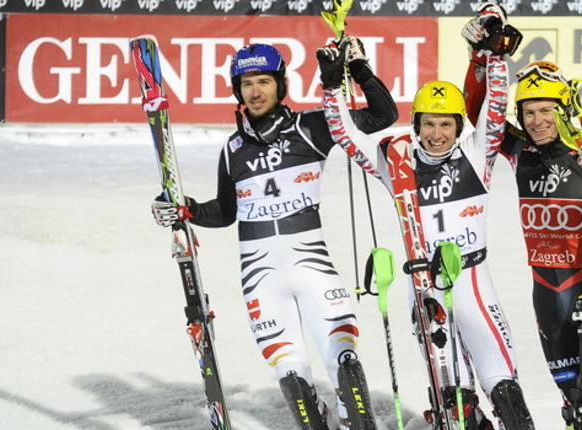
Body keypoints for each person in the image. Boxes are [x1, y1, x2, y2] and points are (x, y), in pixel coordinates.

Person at [150, 40, 398, 430]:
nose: (256, 91)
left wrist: (359, 69)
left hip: (312, 264)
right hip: (260, 275)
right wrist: (189, 210)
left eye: (264, 81)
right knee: (294, 383)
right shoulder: (232, 149)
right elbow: (226, 213)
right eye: (247, 83)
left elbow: (384, 115)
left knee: (345, 365)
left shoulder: (314, 125)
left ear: (281, 85)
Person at [318, 9, 533, 429]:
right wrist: (331, 85)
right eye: (429, 124)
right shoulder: (396, 159)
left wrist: (492, 55)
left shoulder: (477, 153)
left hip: (472, 282)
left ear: (458, 127)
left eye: (447, 125)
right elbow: (345, 135)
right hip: (425, 288)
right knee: (455, 403)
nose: (437, 134)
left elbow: (495, 107)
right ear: (416, 124)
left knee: (505, 390)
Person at [461, 35, 582, 427]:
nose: (537, 121)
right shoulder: (521, 153)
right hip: (547, 295)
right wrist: (479, 59)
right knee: (575, 400)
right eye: (528, 113)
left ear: (564, 109)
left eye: (546, 111)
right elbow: (479, 110)